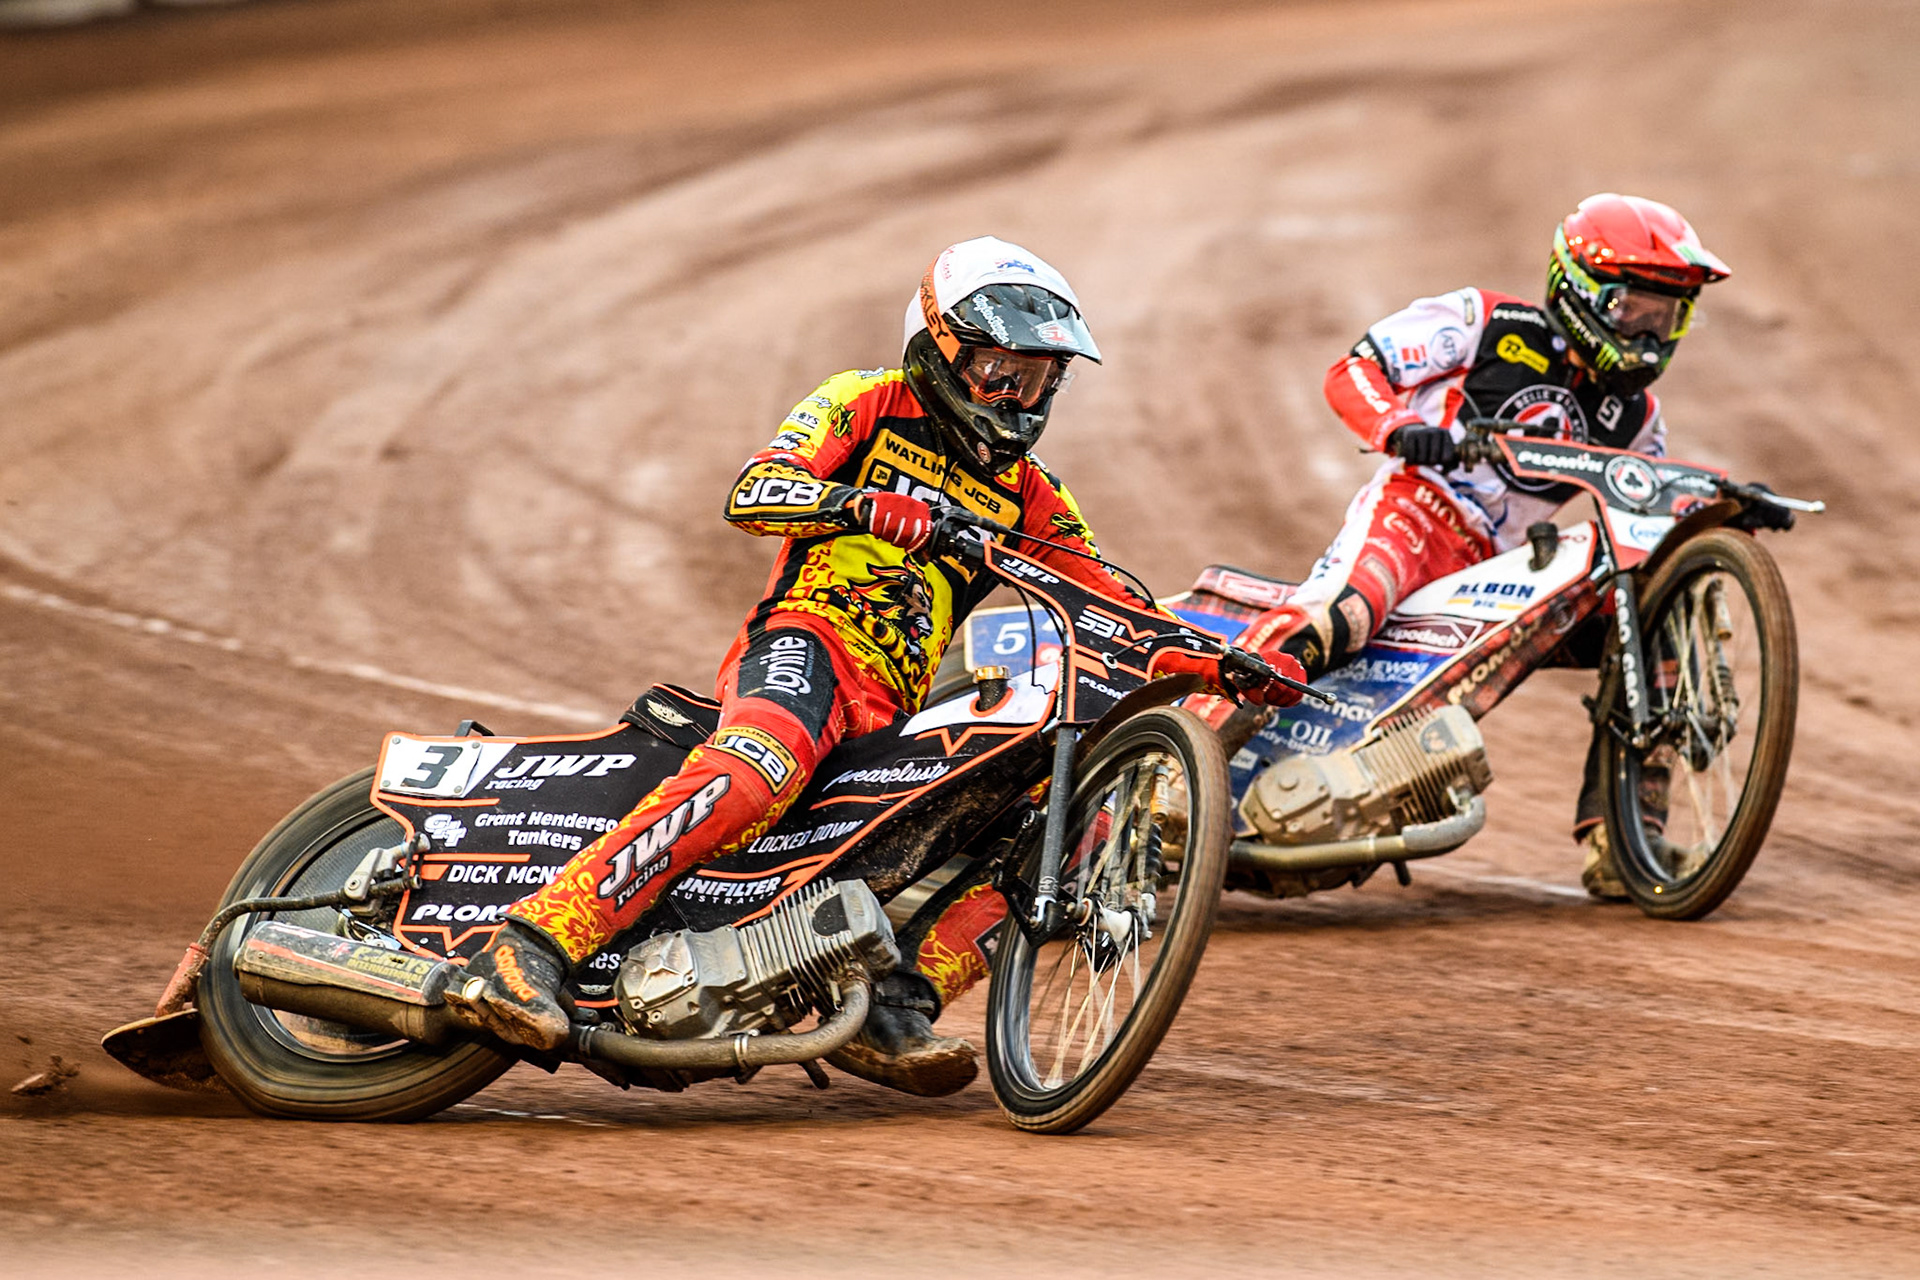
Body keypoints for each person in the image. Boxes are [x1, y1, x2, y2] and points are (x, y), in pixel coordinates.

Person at [444, 236, 1304, 1093]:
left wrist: (1227, 663)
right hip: (803, 646)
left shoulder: (1034, 494)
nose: (1019, 396)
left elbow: (1116, 602)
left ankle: (897, 1002)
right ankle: (531, 944)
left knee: (1050, 820)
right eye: (1001, 371)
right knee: (763, 764)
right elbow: (756, 490)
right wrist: (870, 507)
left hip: (892, 708)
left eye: (1038, 379)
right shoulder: (865, 400)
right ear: (939, 349)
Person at [1225, 194, 1730, 899]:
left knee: (1650, 626)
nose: (1649, 332)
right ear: (1581, 291)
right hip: (1421, 511)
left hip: (1509, 570)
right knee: (1348, 613)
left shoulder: (1640, 421)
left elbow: (1644, 519)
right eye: (1634, 309)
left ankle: (1626, 842)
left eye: (1666, 314)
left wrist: (1723, 512)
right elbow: (1353, 371)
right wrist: (1400, 428)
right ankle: (1188, 749)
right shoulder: (1486, 321)